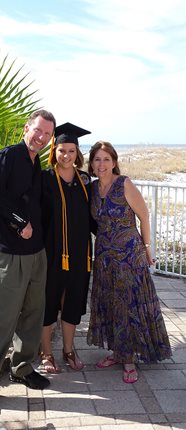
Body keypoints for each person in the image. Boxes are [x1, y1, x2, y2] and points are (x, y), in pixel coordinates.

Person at [0, 110, 56, 390]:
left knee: (33, 314)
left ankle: (21, 366)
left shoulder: (36, 163)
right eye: (38, 131)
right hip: (9, 253)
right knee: (2, 316)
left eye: (47, 134)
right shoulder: (10, 155)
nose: (42, 137)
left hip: (36, 254)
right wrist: (19, 221)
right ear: (26, 128)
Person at [87, 141, 172, 383]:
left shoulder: (124, 183)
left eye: (106, 159)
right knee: (111, 302)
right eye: (97, 159)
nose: (101, 164)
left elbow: (144, 216)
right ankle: (117, 352)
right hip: (104, 256)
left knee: (128, 304)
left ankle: (129, 360)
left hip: (129, 255)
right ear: (91, 164)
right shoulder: (92, 189)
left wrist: (147, 248)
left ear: (114, 162)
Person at [40, 122, 94, 373]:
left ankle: (69, 350)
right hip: (51, 254)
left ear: (77, 152)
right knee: (49, 302)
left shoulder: (85, 181)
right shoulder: (44, 179)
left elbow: (95, 218)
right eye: (62, 150)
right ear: (54, 150)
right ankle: (47, 354)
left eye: (71, 151)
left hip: (80, 254)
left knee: (73, 302)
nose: (66, 155)